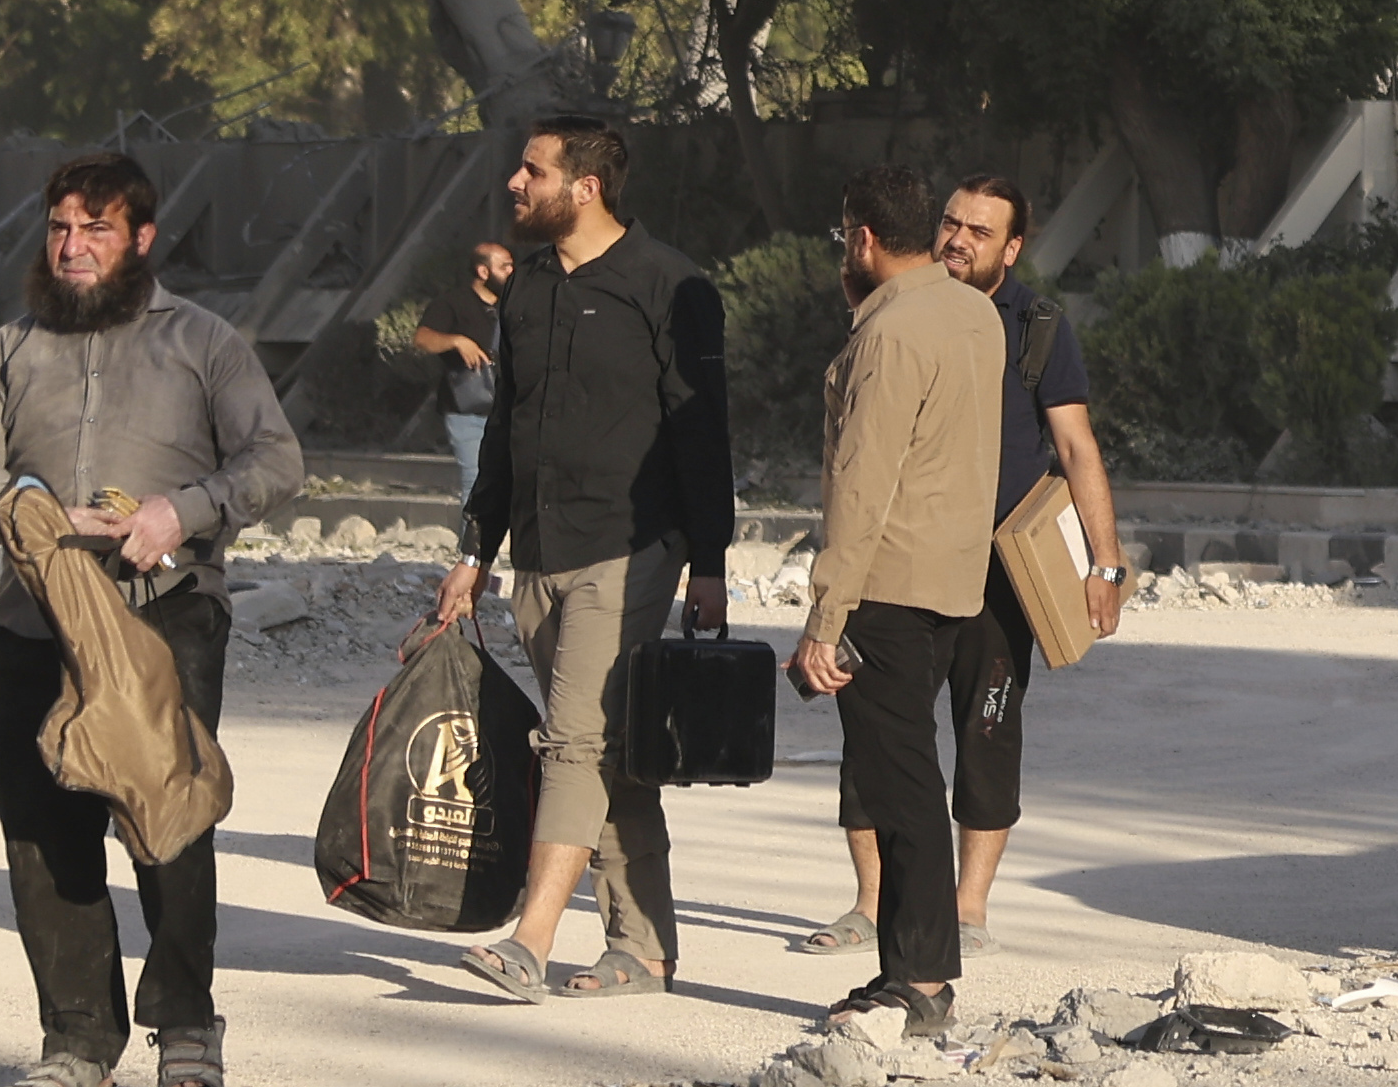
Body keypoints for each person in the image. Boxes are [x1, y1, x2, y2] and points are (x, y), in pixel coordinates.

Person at [0, 151, 307, 1087]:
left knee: (168, 823)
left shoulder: (205, 343)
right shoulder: (11, 349)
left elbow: (275, 459)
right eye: (60, 228)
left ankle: (186, 1029)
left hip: (163, 615)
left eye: (95, 230)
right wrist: (11, 501)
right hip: (36, 616)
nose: (72, 248)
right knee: (43, 833)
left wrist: (175, 513)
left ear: (140, 239)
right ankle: (77, 1045)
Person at [429, 116, 731, 1000]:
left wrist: (707, 563)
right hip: (538, 551)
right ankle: (642, 949)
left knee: (570, 742)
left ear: (586, 185)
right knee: (607, 749)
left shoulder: (671, 286)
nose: (515, 184)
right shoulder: (524, 290)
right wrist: (475, 550)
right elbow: (502, 434)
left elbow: (703, 432)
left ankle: (529, 941)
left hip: (631, 548)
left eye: (533, 171)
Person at [798, 174, 1126, 957]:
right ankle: (874, 903)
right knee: (878, 735)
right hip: (909, 562)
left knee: (987, 732)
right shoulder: (903, 312)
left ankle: (966, 909)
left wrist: (1105, 562)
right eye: (950, 223)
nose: (958, 240)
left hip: (1000, 571)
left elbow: (1077, 447)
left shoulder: (1034, 328)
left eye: (980, 232)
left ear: (1012, 248)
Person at [797, 164, 1000, 1035]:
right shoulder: (976, 312)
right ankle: (909, 969)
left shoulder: (888, 334)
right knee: (912, 773)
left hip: (886, 579)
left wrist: (823, 617)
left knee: (899, 781)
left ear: (863, 238)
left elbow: (862, 480)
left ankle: (918, 978)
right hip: (954, 578)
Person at [416, 239, 510, 506]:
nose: (511, 272)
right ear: (483, 271)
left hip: (510, 407)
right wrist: (457, 341)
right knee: (476, 478)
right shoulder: (452, 303)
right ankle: (473, 547)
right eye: (505, 267)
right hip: (468, 408)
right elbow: (422, 339)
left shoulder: (514, 305)